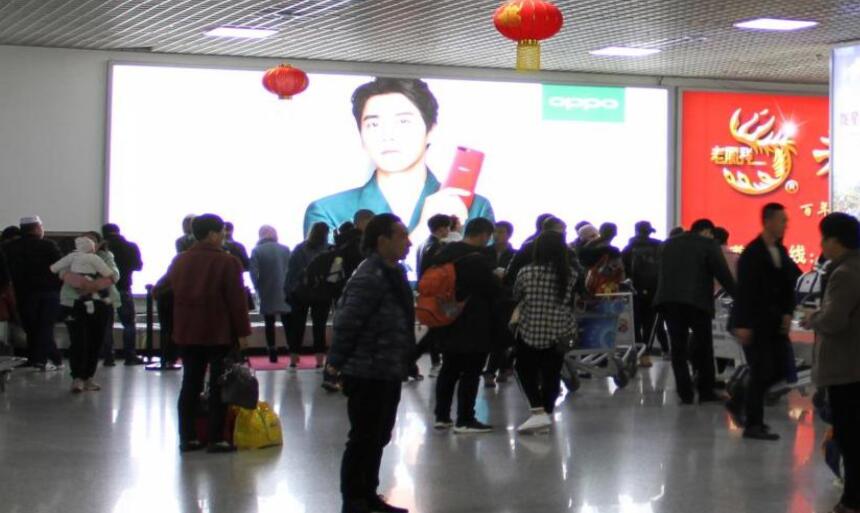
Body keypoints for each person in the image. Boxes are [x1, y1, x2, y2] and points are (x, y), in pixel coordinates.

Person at [303, 77, 494, 239]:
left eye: (403, 121)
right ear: (361, 135)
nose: (388, 135)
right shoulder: (328, 211)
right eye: (374, 124)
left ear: (431, 130)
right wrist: (424, 231)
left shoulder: (476, 208)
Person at [326, 213, 414, 513]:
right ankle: (353, 500)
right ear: (382, 240)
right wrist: (335, 363)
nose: (408, 242)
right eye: (402, 236)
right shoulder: (369, 276)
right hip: (366, 370)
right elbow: (347, 322)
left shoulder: (393, 272)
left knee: (379, 435)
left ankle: (369, 494)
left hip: (388, 368)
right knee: (364, 437)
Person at [164, 214, 251, 453]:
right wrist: (243, 333)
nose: (224, 235)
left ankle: (187, 437)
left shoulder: (180, 260)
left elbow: (160, 289)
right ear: (212, 234)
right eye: (222, 231)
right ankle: (216, 438)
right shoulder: (228, 262)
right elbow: (237, 302)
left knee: (190, 383)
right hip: (218, 332)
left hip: (187, 332)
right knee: (219, 385)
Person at [802, 213, 860, 513]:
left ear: (836, 241)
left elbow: (835, 320)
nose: (822, 244)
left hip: (846, 366)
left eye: (824, 238)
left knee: (850, 435)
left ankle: (853, 499)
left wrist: (813, 318)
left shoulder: (845, 273)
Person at [729, 204, 801, 441]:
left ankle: (739, 400)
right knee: (762, 371)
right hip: (755, 322)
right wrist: (743, 323)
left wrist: (788, 312)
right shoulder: (752, 253)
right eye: (782, 220)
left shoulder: (780, 250)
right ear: (768, 221)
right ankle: (753, 424)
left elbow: (789, 283)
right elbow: (745, 291)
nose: (785, 225)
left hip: (775, 323)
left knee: (780, 369)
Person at [654, 218, 736, 405]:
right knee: (704, 347)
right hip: (697, 302)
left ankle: (685, 394)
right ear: (707, 231)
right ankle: (706, 392)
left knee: (678, 348)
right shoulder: (708, 244)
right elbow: (723, 274)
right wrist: (739, 297)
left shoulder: (667, 244)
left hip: (669, 302)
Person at [432, 218, 500, 434]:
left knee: (449, 369)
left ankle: (442, 416)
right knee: (471, 371)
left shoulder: (444, 254)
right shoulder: (477, 259)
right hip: (474, 321)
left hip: (447, 318)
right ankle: (465, 419)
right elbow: (492, 289)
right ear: (483, 234)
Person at [513, 231, 579, 433]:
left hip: (529, 327)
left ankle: (537, 410)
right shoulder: (570, 274)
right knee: (552, 372)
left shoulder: (526, 272)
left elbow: (517, 294)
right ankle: (547, 413)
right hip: (559, 329)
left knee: (525, 370)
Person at [51, 235, 119, 393]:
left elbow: (114, 275)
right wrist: (81, 284)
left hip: (100, 303)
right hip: (74, 302)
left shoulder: (105, 257)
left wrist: (91, 286)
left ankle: (88, 376)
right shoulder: (73, 257)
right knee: (78, 340)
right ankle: (77, 377)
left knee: (96, 340)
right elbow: (62, 273)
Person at [3, 216, 64, 370]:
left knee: (31, 327)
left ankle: (36, 359)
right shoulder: (49, 245)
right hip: (49, 293)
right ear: (37, 228)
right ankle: (46, 360)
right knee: (45, 326)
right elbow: (61, 267)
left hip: (23, 293)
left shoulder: (10, 248)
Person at [286, 222, 333, 368]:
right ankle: (319, 360)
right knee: (319, 327)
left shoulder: (299, 249)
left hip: (301, 293)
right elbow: (334, 274)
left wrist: (288, 291)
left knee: (297, 326)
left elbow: (291, 273)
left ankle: (293, 359)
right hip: (322, 293)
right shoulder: (330, 250)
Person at [622, 221, 668, 366]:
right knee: (651, 324)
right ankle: (646, 353)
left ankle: (637, 352)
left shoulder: (628, 248)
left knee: (635, 323)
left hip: (634, 291)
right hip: (654, 290)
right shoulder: (659, 246)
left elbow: (624, 272)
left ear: (636, 231)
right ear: (650, 231)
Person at [412, 214, 451, 379]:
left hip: (424, 292)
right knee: (435, 330)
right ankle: (412, 360)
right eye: (447, 227)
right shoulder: (436, 247)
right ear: (441, 228)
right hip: (435, 293)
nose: (448, 231)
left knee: (434, 330)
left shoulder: (423, 244)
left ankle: (432, 362)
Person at [101, 223, 144, 366]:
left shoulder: (101, 249)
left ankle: (108, 357)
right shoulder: (130, 246)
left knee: (106, 324)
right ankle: (130, 356)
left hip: (105, 290)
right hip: (124, 288)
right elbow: (138, 266)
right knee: (128, 324)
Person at [250, 225, 292, 364]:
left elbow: (253, 273)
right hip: (285, 291)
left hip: (267, 290)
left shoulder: (257, 250)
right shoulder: (285, 249)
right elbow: (292, 270)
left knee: (269, 323)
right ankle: (292, 349)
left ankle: (272, 352)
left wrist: (257, 287)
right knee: (288, 323)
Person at [483, 220, 517, 387]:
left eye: (501, 232)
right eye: (495, 231)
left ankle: (492, 371)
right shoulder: (484, 252)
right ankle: (502, 367)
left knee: (502, 336)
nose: (497, 235)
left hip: (506, 300)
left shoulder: (515, 255)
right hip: (487, 299)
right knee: (493, 336)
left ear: (509, 234)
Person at [416, 214, 451, 278]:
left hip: (421, 281)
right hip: (430, 282)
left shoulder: (421, 244)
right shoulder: (437, 246)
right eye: (448, 227)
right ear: (441, 229)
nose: (449, 230)